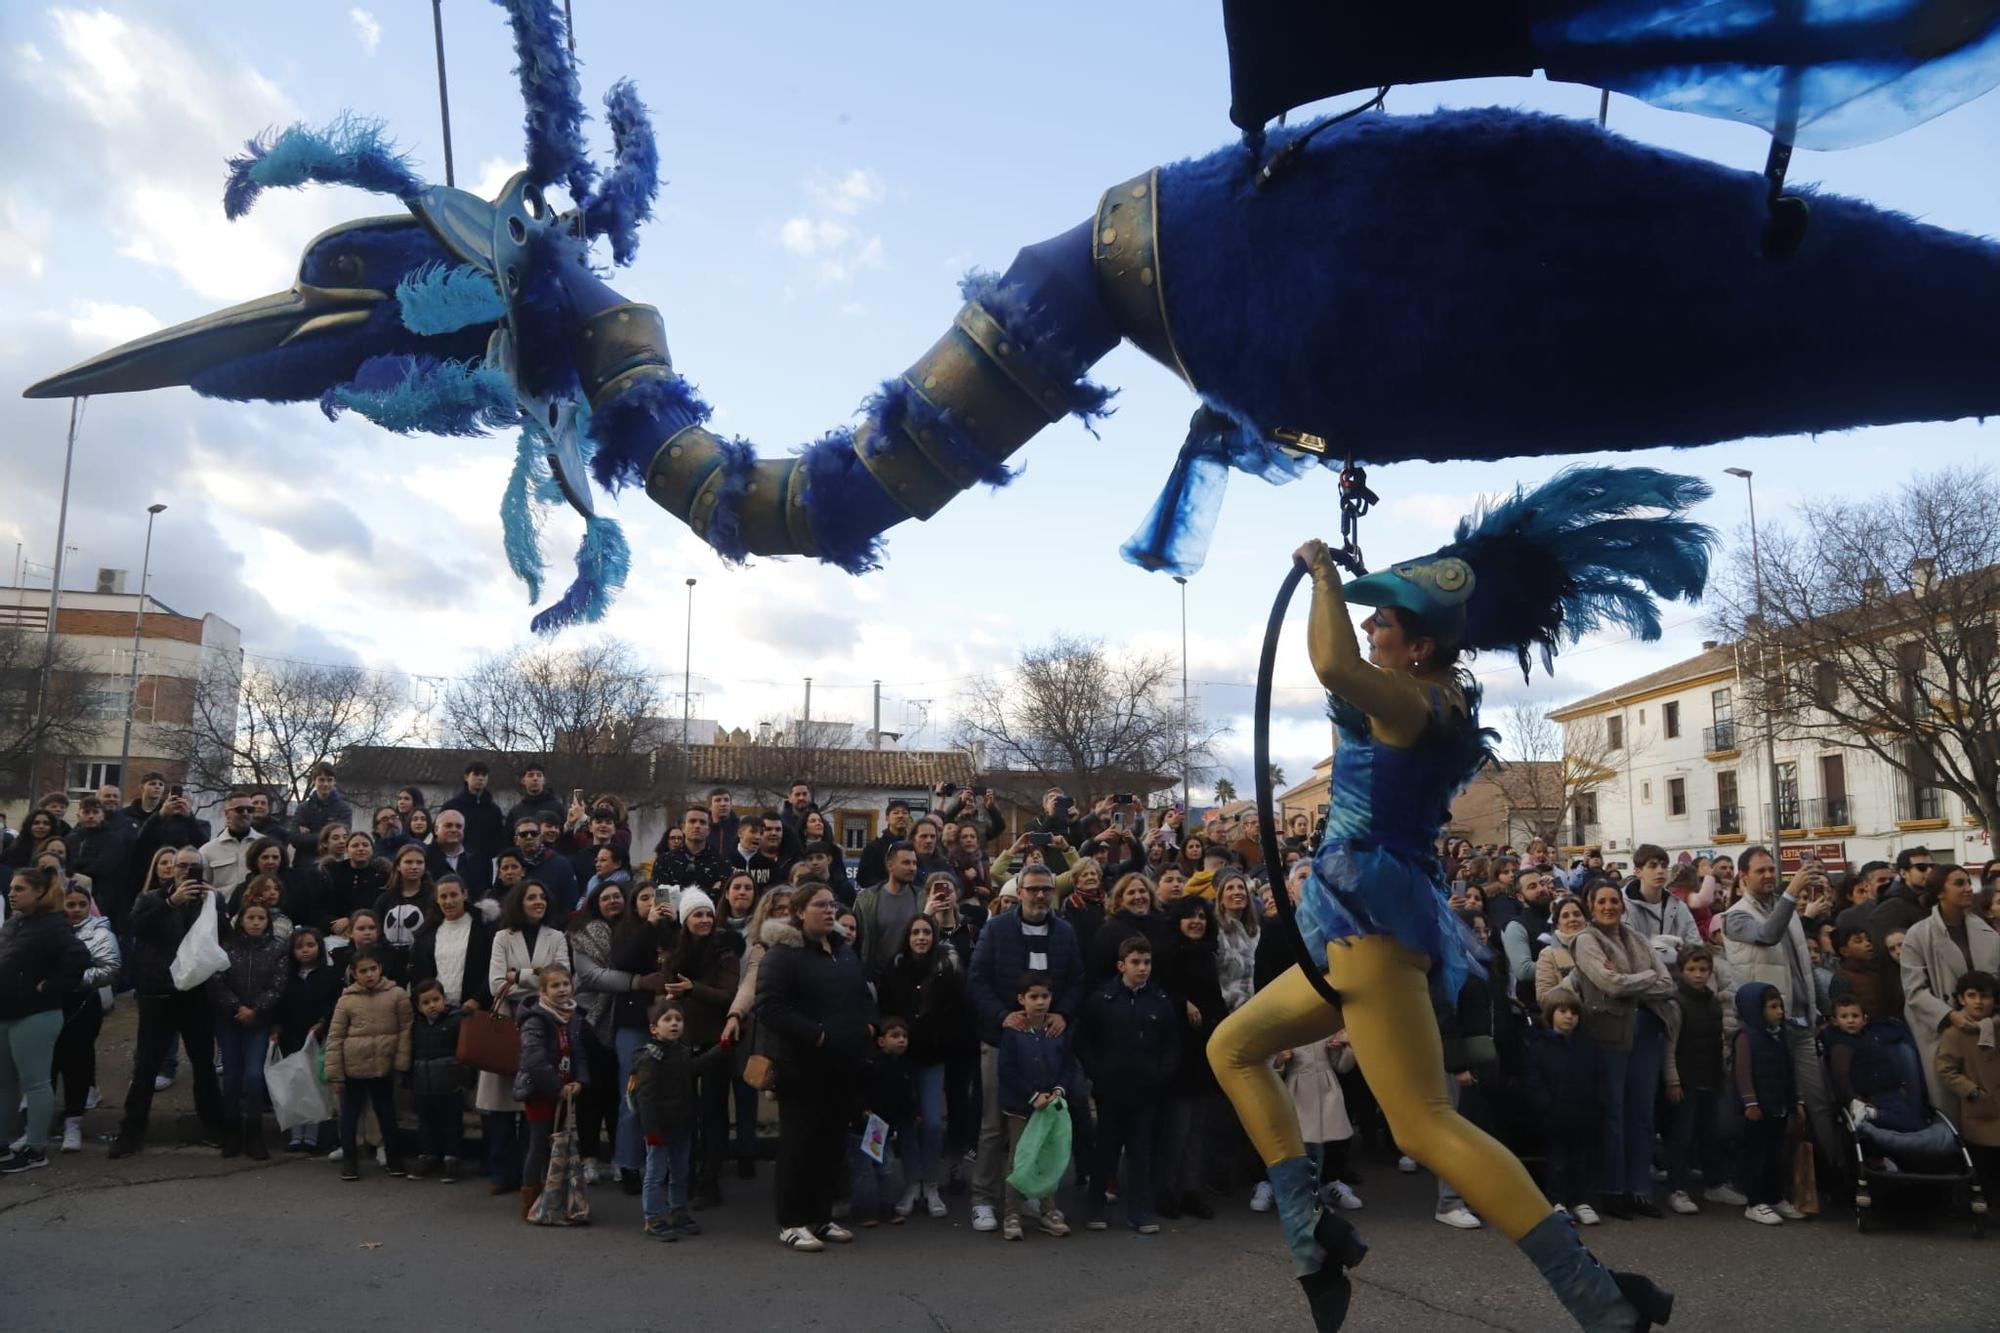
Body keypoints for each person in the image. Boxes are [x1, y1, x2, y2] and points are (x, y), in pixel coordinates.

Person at [1210, 497, 1700, 1332]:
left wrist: (1324, 572)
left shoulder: (1414, 706)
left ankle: (1596, 1295)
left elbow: (1330, 664)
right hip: (1360, 922)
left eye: (1384, 624)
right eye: (1369, 623)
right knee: (1234, 1046)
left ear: (1421, 643)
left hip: (1368, 922)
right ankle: (1310, 1231)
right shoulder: (1429, 702)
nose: (1370, 633)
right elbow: (1348, 668)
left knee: (1426, 1123)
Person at [756, 882, 876, 1252]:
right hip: (802, 1064)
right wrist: (817, 1035)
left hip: (843, 1063)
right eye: (820, 905)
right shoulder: (783, 954)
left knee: (830, 1143)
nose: (829, 911)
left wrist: (870, 1025)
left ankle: (821, 1217)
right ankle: (792, 1222)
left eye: (832, 905)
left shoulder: (843, 951)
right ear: (799, 911)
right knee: (798, 1144)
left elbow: (861, 995)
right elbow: (769, 1008)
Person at [966, 864, 1085, 1234]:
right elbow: (976, 980)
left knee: (1041, 1123)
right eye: (1032, 889)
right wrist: (1003, 1016)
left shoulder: (1064, 931)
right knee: (994, 1125)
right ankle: (983, 1198)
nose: (1039, 896)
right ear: (1019, 892)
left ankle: (1033, 1196)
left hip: (1046, 1042)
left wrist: (1063, 1013)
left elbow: (1077, 980)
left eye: (1046, 889)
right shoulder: (997, 929)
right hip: (1002, 1040)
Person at [1723, 847, 1842, 1177]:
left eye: (1772, 869)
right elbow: (1766, 935)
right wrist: (1792, 893)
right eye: (1760, 870)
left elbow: (1802, 966)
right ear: (1743, 877)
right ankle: (1774, 1180)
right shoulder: (1735, 916)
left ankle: (1834, 1172)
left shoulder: (1786, 911)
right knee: (1775, 1108)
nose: (1768, 876)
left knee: (1816, 1102)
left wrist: (1820, 1008)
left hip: (1802, 1021)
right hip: (1768, 1030)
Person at [1569, 880, 1680, 1218]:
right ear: (1591, 905)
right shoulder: (1585, 940)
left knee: (1642, 1115)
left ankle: (1639, 1190)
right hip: (1609, 1034)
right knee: (1613, 1115)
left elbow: (1669, 983)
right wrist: (1646, 978)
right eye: (1601, 901)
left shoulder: (1637, 938)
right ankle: (1613, 1190)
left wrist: (1634, 982)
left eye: (1613, 901)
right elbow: (1608, 984)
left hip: (1646, 1033)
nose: (1608, 906)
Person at [110, 863, 227, 1158]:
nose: (189, 872)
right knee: (147, 1065)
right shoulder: (151, 899)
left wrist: (212, 904)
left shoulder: (212, 900)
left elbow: (223, 937)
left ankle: (214, 1127)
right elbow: (135, 928)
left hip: (197, 994)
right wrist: (170, 903)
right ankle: (131, 1131)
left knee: (203, 1065)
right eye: (183, 866)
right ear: (172, 871)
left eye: (194, 866)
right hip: (158, 992)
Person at [1077, 935, 1179, 1233]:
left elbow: (1171, 1044)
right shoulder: (1102, 1000)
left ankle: (1139, 1209)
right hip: (1111, 1090)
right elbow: (1085, 1041)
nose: (1142, 968)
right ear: (1122, 965)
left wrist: (1162, 1073)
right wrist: (1097, 1071)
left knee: (1140, 1152)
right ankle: (1095, 1205)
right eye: (1136, 962)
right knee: (1106, 1149)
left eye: (1147, 962)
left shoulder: (1159, 1001)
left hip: (1146, 1090)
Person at [875, 912, 973, 1219]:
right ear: (908, 936)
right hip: (902, 1060)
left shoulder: (946, 970)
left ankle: (930, 1184)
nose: (921, 938)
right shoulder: (894, 969)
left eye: (927, 933)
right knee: (906, 1122)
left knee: (931, 1123)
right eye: (916, 932)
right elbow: (886, 1011)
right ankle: (911, 1184)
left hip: (933, 1057)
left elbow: (958, 1012)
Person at [480, 880, 571, 1194]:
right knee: (503, 1104)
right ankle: (501, 1172)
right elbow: (495, 985)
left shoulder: (557, 936)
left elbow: (562, 978)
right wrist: (538, 976)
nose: (539, 901)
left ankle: (529, 1174)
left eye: (543, 896)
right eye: (532, 897)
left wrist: (518, 974)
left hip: (545, 1023)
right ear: (519, 902)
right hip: (508, 1020)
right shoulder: (502, 938)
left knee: (534, 1103)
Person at [0, 866, 91, 1174]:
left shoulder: (53, 924)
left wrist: (51, 986)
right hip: (5, 1012)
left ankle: (36, 1149)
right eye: (11, 888)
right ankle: (4, 1143)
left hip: (36, 1015)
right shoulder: (15, 924)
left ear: (39, 892)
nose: (12, 893)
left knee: (36, 1082)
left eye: (19, 889)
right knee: (4, 1082)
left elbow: (79, 957)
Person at [1900, 864, 2000, 1121]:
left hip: (1988, 1026)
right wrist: (1950, 1015)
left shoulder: (1987, 932)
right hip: (1943, 1030)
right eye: (1959, 883)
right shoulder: (1918, 935)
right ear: (1940, 892)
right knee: (1953, 1100)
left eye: (1968, 882)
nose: (1968, 888)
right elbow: (1915, 990)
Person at [664, 886, 743, 1210]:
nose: (704, 920)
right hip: (683, 1039)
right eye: (697, 914)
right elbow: (666, 981)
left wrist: (692, 989)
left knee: (713, 1113)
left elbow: (727, 994)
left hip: (715, 1040)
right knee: (686, 1112)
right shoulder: (677, 948)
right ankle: (687, 1177)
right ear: (686, 919)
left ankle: (710, 1181)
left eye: (708, 914)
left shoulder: (725, 949)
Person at [632, 998, 728, 1240]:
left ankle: (677, 1212)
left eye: (678, 1019)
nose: (674, 1024)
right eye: (667, 1020)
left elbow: (697, 1066)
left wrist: (722, 1047)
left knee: (680, 1172)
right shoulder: (649, 1058)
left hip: (682, 1125)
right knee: (655, 1174)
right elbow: (646, 1098)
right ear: (654, 1028)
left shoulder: (682, 1052)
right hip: (659, 1129)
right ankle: (653, 1217)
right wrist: (651, 1131)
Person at [1153, 895, 1224, 1220]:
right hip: (1176, 1048)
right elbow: (1159, 991)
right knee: (1177, 1127)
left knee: (1200, 1126)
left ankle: (1191, 1190)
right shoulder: (1167, 953)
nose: (1196, 922)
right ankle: (1167, 1190)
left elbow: (1216, 997)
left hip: (1205, 1046)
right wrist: (1182, 1002)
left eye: (1201, 916)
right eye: (1189, 917)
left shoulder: (1209, 954)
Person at [995, 971, 1079, 1239]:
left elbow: (1067, 1064)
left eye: (1044, 996)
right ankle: (1011, 1214)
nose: (1040, 1002)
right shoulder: (1013, 1032)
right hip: (1021, 1108)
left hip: (1051, 1106)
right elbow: (1006, 1069)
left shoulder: (1057, 1031)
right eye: (1034, 997)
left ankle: (1049, 1211)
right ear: (1022, 999)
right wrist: (1032, 1096)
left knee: (1047, 1158)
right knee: (1019, 1160)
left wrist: (1058, 1090)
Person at [724, 885, 800, 1175]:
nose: (784, 914)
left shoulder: (814, 941)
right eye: (778, 908)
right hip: (774, 1036)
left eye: (789, 908)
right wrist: (735, 1013)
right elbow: (751, 982)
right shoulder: (763, 947)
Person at [207, 898, 288, 1159]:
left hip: (259, 1021)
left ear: (267, 922)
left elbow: (278, 985)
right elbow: (216, 981)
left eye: (260, 918)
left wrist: (256, 1009)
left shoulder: (277, 948)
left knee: (254, 1076)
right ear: (241, 920)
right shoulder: (227, 946)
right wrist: (236, 1007)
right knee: (231, 1077)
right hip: (229, 1019)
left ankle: (254, 1133)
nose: (255, 923)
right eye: (250, 918)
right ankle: (232, 1131)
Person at [325, 947, 412, 1181]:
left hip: (384, 1066)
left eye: (373, 969)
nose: (369, 974)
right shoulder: (347, 1000)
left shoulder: (397, 995)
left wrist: (401, 1061)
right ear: (354, 974)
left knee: (387, 1114)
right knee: (350, 1116)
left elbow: (406, 1028)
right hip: (354, 1069)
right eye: (363, 971)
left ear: (381, 969)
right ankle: (350, 1161)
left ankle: (395, 1159)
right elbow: (335, 1037)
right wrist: (335, 1073)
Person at [511, 961, 586, 1217]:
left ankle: (552, 1195)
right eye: (555, 985)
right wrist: (558, 1088)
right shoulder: (535, 1020)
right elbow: (534, 1061)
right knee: (539, 1143)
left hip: (564, 1091)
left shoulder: (573, 1017)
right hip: (540, 1092)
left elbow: (580, 1055)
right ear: (543, 991)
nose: (563, 989)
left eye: (566, 984)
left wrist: (580, 1081)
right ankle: (529, 1197)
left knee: (557, 1145)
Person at [52, 883, 119, 1153]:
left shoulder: (100, 932)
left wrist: (68, 981)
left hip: (83, 1004)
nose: (77, 910)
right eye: (71, 905)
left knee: (77, 1065)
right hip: (49, 1004)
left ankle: (73, 1123)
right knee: (49, 1063)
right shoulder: (50, 930)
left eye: (82, 904)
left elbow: (110, 969)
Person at [1664, 946, 1730, 1214]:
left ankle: (1715, 1183)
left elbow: (1718, 1040)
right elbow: (1670, 1046)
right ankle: (1676, 1188)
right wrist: (1673, 1081)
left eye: (1703, 970)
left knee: (1711, 1133)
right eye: (1691, 969)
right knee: (1682, 1135)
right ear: (1681, 972)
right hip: (1685, 1079)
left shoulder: (1713, 1002)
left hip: (1710, 1076)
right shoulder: (1676, 1003)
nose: (1698, 975)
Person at [1525, 994, 1601, 1224]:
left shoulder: (1586, 1047)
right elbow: (1533, 1079)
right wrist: (1545, 1103)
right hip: (1554, 1114)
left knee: (1581, 1160)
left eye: (1573, 1013)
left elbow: (1598, 1077)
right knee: (1556, 1160)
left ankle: (1580, 1200)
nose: (1569, 1017)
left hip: (1582, 1112)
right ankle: (1556, 1200)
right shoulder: (1539, 1047)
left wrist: (1595, 1103)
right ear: (1551, 1015)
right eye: (1563, 1011)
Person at [1731, 982, 1800, 1225]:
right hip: (1757, 1109)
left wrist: (1794, 1102)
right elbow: (1743, 1073)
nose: (1779, 1012)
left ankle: (1774, 1196)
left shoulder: (1780, 1036)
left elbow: (1788, 1071)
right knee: (1756, 1155)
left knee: (1775, 1155)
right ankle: (1755, 1202)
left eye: (1780, 1006)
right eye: (1772, 1007)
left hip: (1777, 1105)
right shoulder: (1746, 1037)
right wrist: (1750, 1103)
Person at [1935, 970, 2000, 1205]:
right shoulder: (1955, 1034)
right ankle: (1980, 1204)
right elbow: (1946, 1069)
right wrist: (1972, 1091)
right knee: (1983, 1164)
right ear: (1961, 999)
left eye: (1985, 996)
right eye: (1971, 995)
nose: (1978, 1002)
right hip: (1980, 1110)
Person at [274, 926, 342, 1152]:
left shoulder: (330, 975)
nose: (306, 951)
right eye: (300, 947)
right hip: (292, 1037)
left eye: (311, 945)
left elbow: (334, 1004)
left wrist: (323, 1023)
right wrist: (276, 1027)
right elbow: (280, 1005)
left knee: (314, 1086)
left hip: (317, 1039)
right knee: (294, 1085)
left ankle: (312, 1134)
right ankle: (296, 1133)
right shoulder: (287, 978)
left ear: (319, 948)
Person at [851, 1016, 916, 1228]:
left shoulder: (904, 1067)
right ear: (881, 1041)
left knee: (885, 1168)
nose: (901, 1040)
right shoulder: (871, 1064)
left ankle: (886, 1207)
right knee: (864, 1170)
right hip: (868, 1126)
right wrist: (863, 1110)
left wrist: (910, 1114)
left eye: (905, 1036)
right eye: (895, 1036)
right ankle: (862, 1210)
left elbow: (905, 1096)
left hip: (885, 1127)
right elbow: (860, 1090)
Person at [406, 977, 466, 1180]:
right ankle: (428, 1155)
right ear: (418, 1006)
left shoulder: (456, 1020)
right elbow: (413, 1052)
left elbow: (464, 1053)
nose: (432, 1005)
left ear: (444, 999)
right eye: (426, 1002)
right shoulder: (416, 1025)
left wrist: (464, 1078)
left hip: (449, 1083)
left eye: (436, 1000)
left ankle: (452, 1158)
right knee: (426, 1122)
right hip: (423, 1083)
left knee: (451, 1122)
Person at [854, 842, 921, 980]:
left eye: (914, 863)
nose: (912, 868)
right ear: (890, 866)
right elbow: (857, 941)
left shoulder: (923, 899)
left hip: (913, 979)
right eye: (906, 863)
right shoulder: (866, 900)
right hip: (876, 979)